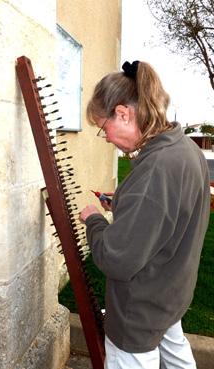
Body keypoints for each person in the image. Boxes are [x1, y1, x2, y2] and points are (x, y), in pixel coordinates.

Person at [79, 61, 210, 369]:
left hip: (140, 310)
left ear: (123, 113)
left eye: (103, 128)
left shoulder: (155, 169)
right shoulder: (185, 150)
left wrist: (94, 220)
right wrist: (124, 205)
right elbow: (167, 214)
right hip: (169, 295)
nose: (107, 138)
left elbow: (116, 258)